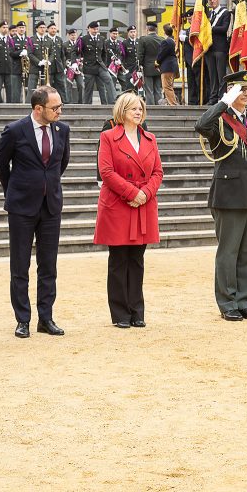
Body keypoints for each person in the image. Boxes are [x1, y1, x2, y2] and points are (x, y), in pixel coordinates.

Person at [0, 86, 71, 338]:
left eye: (60, 107)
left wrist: (47, 186)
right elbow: (1, 164)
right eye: (55, 108)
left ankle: (45, 318)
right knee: (20, 265)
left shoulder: (63, 130)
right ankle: (23, 319)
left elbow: (61, 163)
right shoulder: (15, 130)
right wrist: (15, 190)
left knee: (48, 265)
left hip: (51, 206)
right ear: (38, 109)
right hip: (21, 207)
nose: (59, 111)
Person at [194, 71, 247, 321]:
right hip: (228, 194)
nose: (246, 94)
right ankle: (227, 302)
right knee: (229, 252)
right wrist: (223, 103)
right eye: (241, 90)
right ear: (230, 92)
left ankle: (243, 300)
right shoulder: (220, 118)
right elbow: (200, 126)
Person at [94, 92, 164, 328]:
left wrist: (145, 193)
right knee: (118, 260)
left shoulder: (150, 138)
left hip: (143, 204)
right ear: (121, 112)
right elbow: (106, 172)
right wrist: (133, 193)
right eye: (133, 108)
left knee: (137, 259)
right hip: (118, 204)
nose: (138, 112)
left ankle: (137, 310)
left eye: (141, 109)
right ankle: (120, 313)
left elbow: (158, 172)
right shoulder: (108, 137)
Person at [79, 21, 116, 105]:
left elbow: (104, 53)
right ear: (89, 29)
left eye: (96, 29)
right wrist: (76, 62)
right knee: (89, 88)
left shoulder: (101, 39)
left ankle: (112, 101)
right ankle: (87, 106)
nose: (95, 31)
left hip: (100, 66)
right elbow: (76, 51)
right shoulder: (83, 39)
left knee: (108, 80)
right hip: (89, 67)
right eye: (93, 29)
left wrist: (104, 64)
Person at [204, 0, 232, 105]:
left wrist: (209, 28)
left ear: (218, 0)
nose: (212, 1)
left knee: (221, 75)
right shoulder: (209, 14)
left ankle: (221, 97)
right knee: (212, 76)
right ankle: (213, 98)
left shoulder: (225, 13)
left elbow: (224, 28)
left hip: (220, 48)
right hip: (209, 49)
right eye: (210, 0)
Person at [137, 21, 164, 106]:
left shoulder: (143, 39)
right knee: (158, 89)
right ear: (155, 29)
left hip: (147, 68)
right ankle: (159, 108)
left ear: (147, 29)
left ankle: (151, 108)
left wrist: (139, 66)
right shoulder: (162, 39)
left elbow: (140, 55)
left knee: (149, 90)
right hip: (159, 67)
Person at [157, 23, 180, 105]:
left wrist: (157, 62)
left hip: (167, 67)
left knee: (167, 87)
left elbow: (161, 55)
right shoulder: (173, 40)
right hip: (172, 67)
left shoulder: (166, 42)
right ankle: (172, 102)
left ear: (164, 32)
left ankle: (173, 104)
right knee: (169, 86)